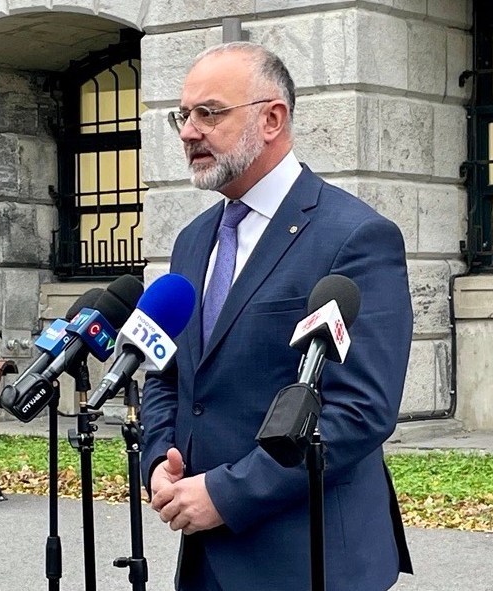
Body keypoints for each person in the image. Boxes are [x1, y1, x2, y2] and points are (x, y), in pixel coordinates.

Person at [140, 42, 414, 590]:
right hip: (206, 557)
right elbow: (166, 370)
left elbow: (359, 411)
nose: (189, 132)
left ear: (272, 119)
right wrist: (157, 461)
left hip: (309, 559)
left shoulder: (355, 238)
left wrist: (227, 493)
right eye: (183, 115)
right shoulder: (194, 242)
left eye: (209, 113)